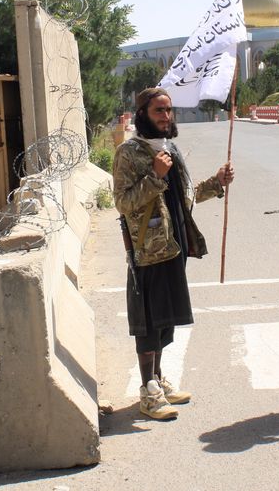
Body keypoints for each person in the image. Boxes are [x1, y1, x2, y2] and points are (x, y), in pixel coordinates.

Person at [112, 88, 234, 420]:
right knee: (148, 322)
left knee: (166, 322)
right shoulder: (129, 153)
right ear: (142, 115)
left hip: (174, 245)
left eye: (169, 111)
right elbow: (123, 202)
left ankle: (158, 380)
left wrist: (216, 182)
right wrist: (155, 176)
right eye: (158, 111)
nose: (166, 117)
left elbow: (185, 197)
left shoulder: (171, 149)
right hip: (148, 251)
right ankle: (148, 392)